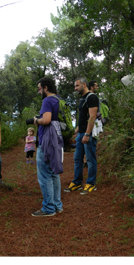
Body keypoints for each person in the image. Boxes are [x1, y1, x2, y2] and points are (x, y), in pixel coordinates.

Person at [31, 77, 64, 217]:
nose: (39, 92)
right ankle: (57, 205)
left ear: (45, 88)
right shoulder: (58, 99)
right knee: (54, 174)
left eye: (39, 88)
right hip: (56, 138)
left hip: (47, 140)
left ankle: (48, 208)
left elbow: (46, 120)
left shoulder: (47, 100)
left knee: (44, 175)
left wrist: (36, 120)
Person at [64, 77, 100, 194]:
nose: (75, 88)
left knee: (90, 159)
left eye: (77, 85)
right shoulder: (82, 98)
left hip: (88, 135)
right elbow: (83, 117)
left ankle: (91, 183)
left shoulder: (92, 97)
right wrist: (78, 129)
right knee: (77, 159)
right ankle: (77, 182)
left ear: (84, 85)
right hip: (81, 134)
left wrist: (87, 134)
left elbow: (92, 117)